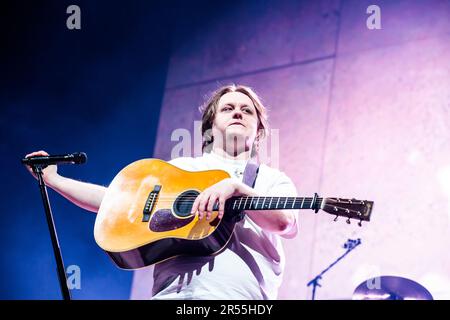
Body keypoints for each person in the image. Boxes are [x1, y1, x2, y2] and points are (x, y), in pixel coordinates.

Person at [24, 84, 299, 300]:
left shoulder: (272, 179)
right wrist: (55, 181)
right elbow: (117, 203)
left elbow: (284, 222)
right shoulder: (183, 168)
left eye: (247, 110)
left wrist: (236, 188)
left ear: (259, 129)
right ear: (210, 126)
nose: (238, 113)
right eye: (228, 108)